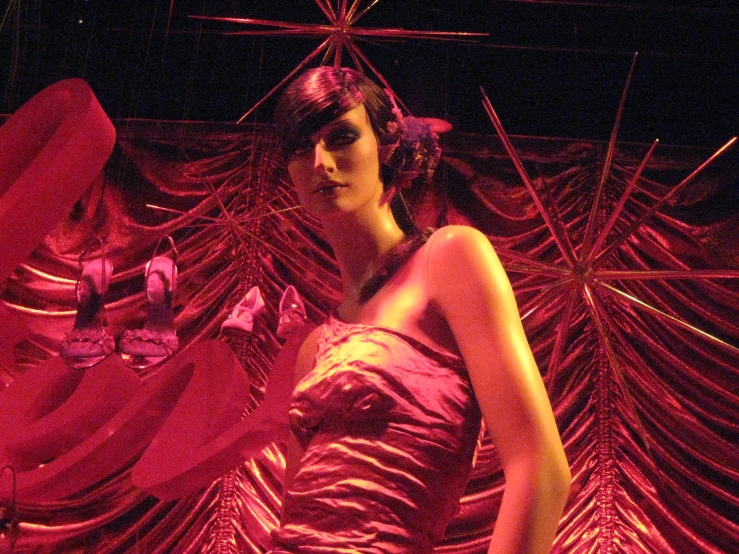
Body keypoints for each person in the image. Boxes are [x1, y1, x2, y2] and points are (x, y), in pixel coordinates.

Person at [269, 67, 571, 554]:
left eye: (341, 137)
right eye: (300, 148)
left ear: (386, 147)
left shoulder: (450, 260)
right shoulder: (313, 350)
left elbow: (540, 466)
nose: (320, 161)